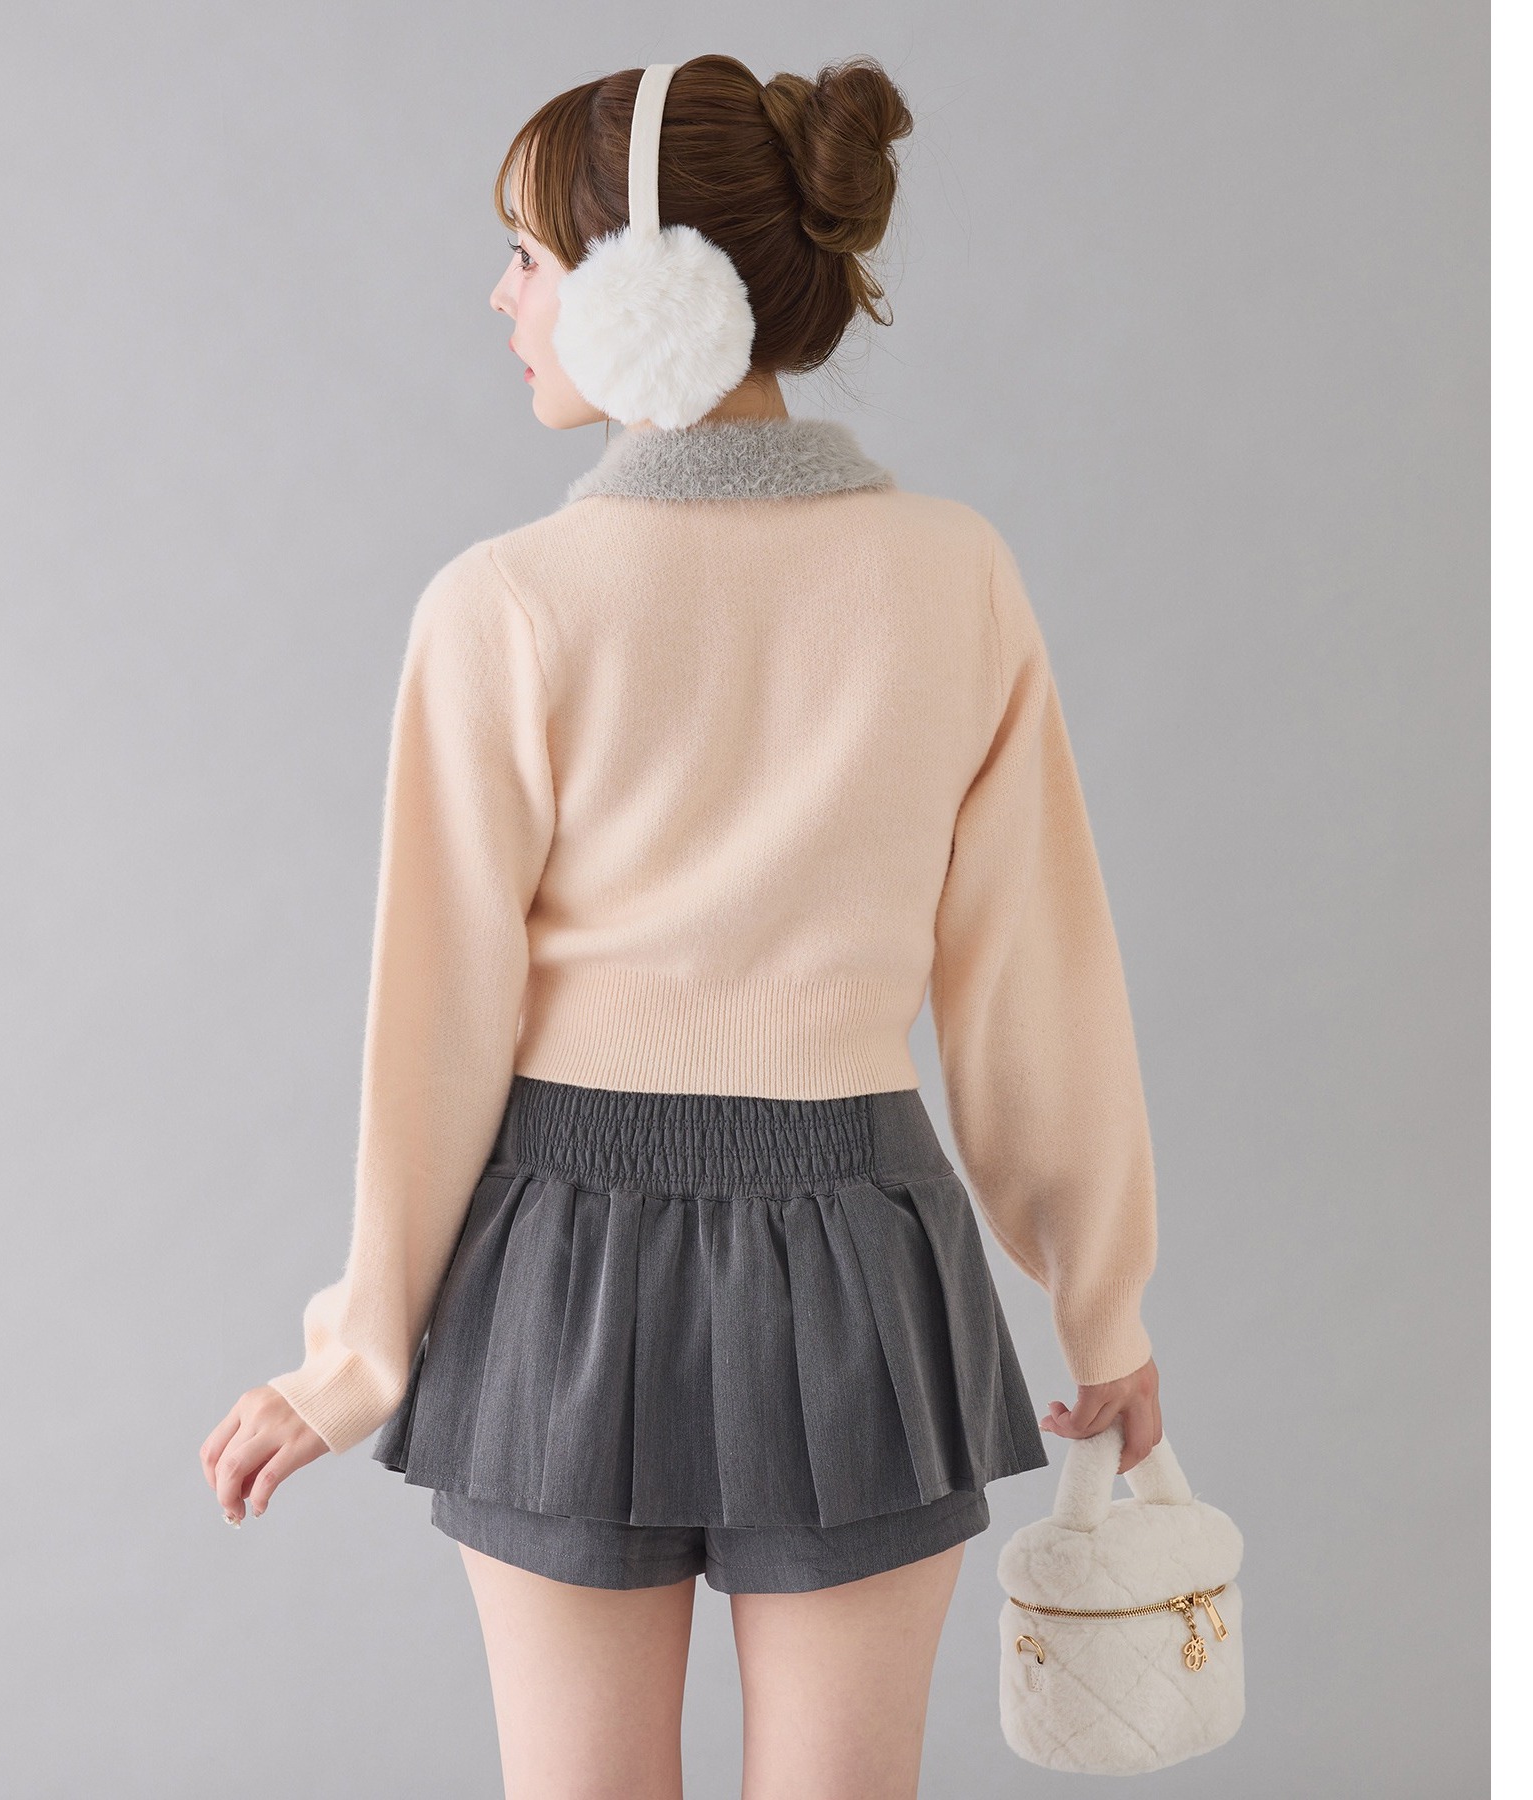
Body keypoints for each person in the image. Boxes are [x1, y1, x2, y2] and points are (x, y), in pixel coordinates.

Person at [201, 52, 1163, 1800]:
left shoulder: (504, 607)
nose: (501, 296)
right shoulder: (955, 574)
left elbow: (436, 1027)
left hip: (560, 1270)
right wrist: (1103, 1314)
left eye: (529, 255)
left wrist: (354, 1362)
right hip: (864, 1265)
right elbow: (1035, 987)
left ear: (649, 288)